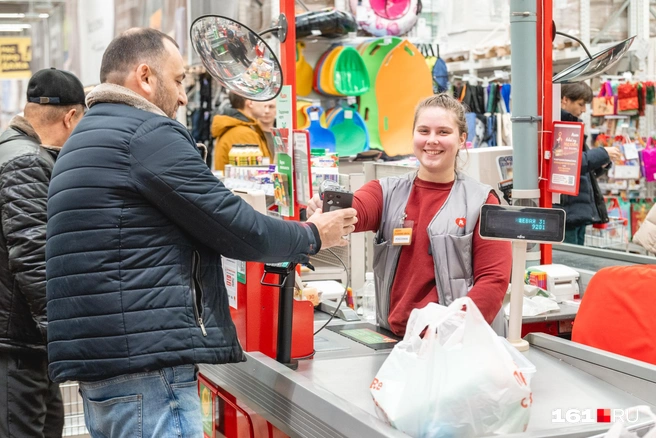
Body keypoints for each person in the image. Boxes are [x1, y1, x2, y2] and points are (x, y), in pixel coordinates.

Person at [45, 28, 357, 438]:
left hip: (110, 368)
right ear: (145, 76)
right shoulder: (146, 134)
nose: (182, 97)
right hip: (148, 372)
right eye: (177, 81)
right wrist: (313, 234)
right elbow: (237, 228)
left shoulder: (85, 139)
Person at [308, 93, 512, 336]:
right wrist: (326, 213)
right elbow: (356, 210)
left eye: (443, 132)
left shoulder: (481, 202)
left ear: (461, 139)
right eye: (424, 131)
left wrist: (448, 333)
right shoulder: (385, 192)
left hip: (453, 344)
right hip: (395, 339)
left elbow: (493, 281)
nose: (432, 140)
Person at [0, 68, 85, 438]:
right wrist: (66, 339)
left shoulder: (12, 148)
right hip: (17, 344)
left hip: (26, 340)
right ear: (71, 117)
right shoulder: (26, 161)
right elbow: (34, 254)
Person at [555, 82, 622, 245]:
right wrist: (602, 153)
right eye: (581, 104)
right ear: (564, 100)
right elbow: (566, 163)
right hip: (567, 213)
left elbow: (580, 170)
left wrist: (602, 164)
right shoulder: (559, 127)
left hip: (577, 212)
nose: (584, 110)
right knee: (570, 263)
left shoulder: (571, 125)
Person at [211, 91, 270, 171]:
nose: (265, 103)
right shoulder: (243, 133)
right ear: (250, 103)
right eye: (261, 98)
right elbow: (253, 174)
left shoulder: (242, 128)